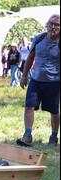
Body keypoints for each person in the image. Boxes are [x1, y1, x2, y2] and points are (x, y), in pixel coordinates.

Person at [17, 14, 60, 147]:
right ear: (47, 24)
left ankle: (53, 137)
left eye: (57, 25)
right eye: (51, 23)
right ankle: (27, 135)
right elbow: (30, 58)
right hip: (35, 80)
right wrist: (24, 76)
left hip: (54, 82)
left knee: (54, 111)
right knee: (29, 106)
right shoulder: (38, 38)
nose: (53, 27)